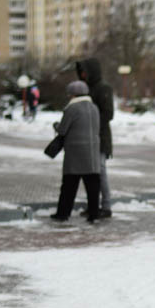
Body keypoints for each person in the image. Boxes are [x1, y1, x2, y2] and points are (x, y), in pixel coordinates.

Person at [50, 81, 101, 223]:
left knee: (69, 186)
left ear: (73, 94)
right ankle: (94, 214)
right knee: (93, 186)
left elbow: (62, 130)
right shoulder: (94, 107)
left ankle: (63, 213)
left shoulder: (72, 109)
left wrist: (55, 125)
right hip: (92, 151)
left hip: (75, 151)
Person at [76, 58, 114, 219]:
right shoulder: (86, 89)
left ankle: (106, 205)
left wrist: (92, 124)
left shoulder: (103, 88)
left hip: (100, 136)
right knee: (91, 173)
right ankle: (94, 205)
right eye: (81, 72)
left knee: (100, 171)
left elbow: (108, 113)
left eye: (84, 71)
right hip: (87, 136)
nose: (82, 74)